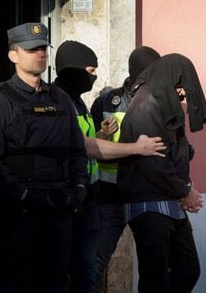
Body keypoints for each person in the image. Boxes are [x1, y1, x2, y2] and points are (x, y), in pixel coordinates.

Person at [53, 41, 165, 293]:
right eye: (91, 71)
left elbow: (91, 144)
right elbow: (87, 148)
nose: (94, 77)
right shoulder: (77, 102)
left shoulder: (78, 102)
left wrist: (103, 134)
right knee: (86, 267)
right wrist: (137, 148)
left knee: (151, 267)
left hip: (136, 196)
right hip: (96, 197)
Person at [0, 22, 88, 292]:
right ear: (13, 55)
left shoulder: (61, 98)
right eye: (32, 49)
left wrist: (78, 189)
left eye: (43, 48)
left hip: (59, 209)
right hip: (19, 213)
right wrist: (24, 196)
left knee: (56, 281)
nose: (40, 54)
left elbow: (77, 150)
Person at [117, 53, 206, 293]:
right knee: (155, 278)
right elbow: (153, 162)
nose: (183, 93)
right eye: (180, 85)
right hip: (149, 205)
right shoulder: (146, 105)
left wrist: (184, 188)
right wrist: (185, 191)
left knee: (188, 270)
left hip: (170, 202)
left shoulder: (161, 102)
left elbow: (172, 152)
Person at [89, 46, 161, 289]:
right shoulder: (108, 101)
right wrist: (105, 135)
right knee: (95, 262)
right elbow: (92, 142)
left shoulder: (160, 100)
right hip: (111, 197)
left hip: (146, 197)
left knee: (153, 266)